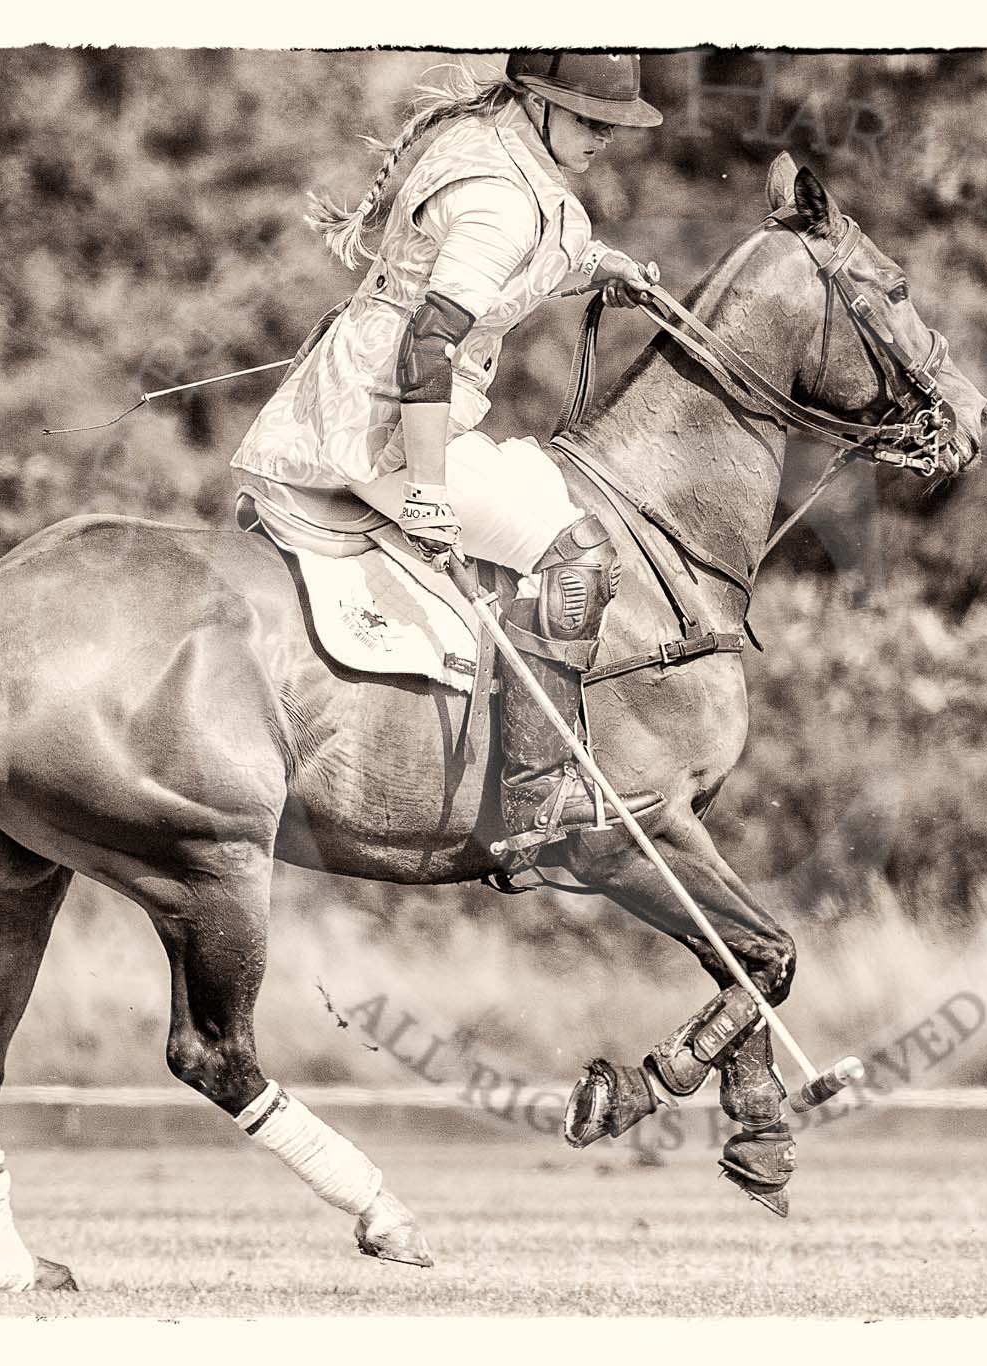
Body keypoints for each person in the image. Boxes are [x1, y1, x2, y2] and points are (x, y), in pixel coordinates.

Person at [230, 52, 666, 871]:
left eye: (614, 122)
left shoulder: (499, 144)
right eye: (588, 118)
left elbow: (532, 253)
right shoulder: (500, 199)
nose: (604, 135)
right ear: (537, 103)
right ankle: (537, 793)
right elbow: (430, 345)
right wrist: (427, 493)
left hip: (369, 395)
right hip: (389, 424)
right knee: (574, 553)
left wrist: (603, 265)